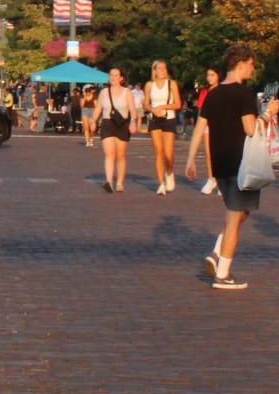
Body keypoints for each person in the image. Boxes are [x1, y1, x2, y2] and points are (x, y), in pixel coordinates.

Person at [184, 44, 262, 291]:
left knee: (240, 212)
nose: (253, 68)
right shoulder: (245, 94)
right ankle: (223, 273)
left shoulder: (214, 93)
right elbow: (250, 129)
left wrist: (190, 160)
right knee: (234, 216)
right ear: (241, 64)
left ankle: (218, 251)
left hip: (220, 163)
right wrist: (267, 116)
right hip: (241, 164)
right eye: (251, 64)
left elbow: (198, 129)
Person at [92, 67, 136, 193]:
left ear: (121, 78)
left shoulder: (127, 92)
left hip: (123, 124)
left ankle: (120, 182)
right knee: (109, 154)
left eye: (116, 75)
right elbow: (98, 108)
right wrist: (93, 121)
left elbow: (132, 109)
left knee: (120, 155)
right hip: (108, 123)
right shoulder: (104, 92)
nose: (113, 77)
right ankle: (109, 181)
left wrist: (133, 121)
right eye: (111, 75)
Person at [143, 61, 183, 194]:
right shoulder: (150, 85)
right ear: (154, 71)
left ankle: (169, 173)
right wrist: (153, 109)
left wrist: (163, 107)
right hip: (155, 120)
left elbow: (177, 104)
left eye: (164, 68)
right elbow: (146, 104)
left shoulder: (172, 84)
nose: (163, 70)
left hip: (168, 118)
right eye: (159, 68)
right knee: (158, 152)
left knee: (168, 153)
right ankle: (161, 183)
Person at [193, 68, 223, 195]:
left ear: (218, 76)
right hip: (207, 125)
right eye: (208, 75)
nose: (209, 77)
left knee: (221, 154)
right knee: (209, 153)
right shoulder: (204, 92)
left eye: (212, 75)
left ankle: (222, 181)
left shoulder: (223, 91)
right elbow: (201, 110)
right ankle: (211, 178)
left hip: (221, 125)